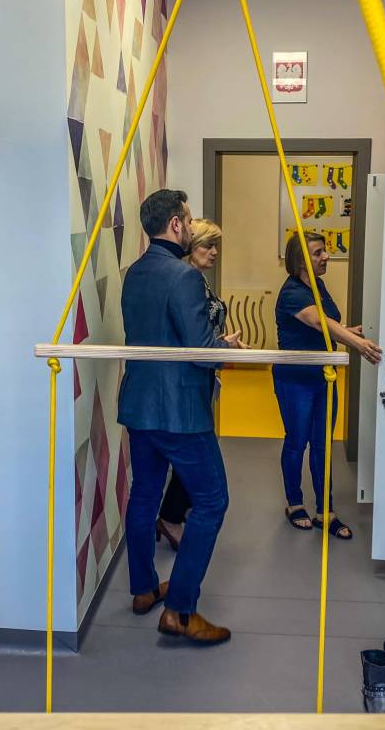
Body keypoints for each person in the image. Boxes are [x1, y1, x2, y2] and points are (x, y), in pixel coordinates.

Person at [118, 190, 241, 645]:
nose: (190, 227)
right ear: (175, 224)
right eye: (187, 221)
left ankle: (143, 589)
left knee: (144, 495)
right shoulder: (184, 276)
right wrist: (227, 348)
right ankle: (180, 611)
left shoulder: (133, 274)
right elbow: (202, 352)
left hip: (139, 406)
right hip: (180, 413)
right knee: (212, 501)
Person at [273, 231, 382, 539]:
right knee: (297, 443)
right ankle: (295, 504)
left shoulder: (317, 285)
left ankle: (326, 511)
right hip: (296, 380)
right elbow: (318, 322)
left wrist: (347, 330)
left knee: (322, 445)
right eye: (318, 252)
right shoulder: (292, 292)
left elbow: (328, 324)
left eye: (325, 250)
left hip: (323, 377)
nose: (326, 256)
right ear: (301, 260)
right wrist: (357, 344)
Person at [156, 218, 231, 552]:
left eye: (216, 246)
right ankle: (171, 516)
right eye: (207, 245)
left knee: (192, 450)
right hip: (189, 377)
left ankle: (175, 512)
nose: (214, 252)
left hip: (203, 375)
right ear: (191, 246)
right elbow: (192, 339)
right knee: (194, 453)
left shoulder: (198, 280)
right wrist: (223, 347)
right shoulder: (186, 280)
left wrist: (223, 344)